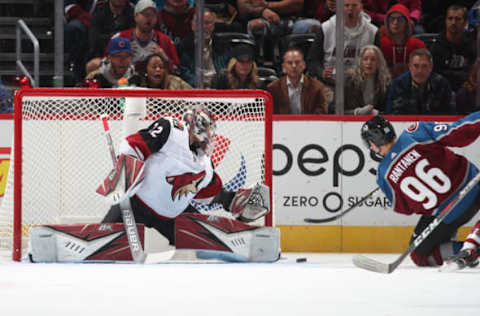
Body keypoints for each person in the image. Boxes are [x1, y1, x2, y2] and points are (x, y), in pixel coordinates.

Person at [99, 106, 278, 261]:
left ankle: (252, 247)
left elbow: (208, 195)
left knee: (210, 245)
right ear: (194, 125)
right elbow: (134, 145)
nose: (209, 135)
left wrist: (232, 201)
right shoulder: (171, 129)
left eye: (211, 131)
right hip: (134, 203)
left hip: (174, 216)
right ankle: (95, 241)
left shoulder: (206, 166)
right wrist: (125, 168)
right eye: (206, 129)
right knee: (102, 246)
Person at [361, 114, 480, 269]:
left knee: (420, 255)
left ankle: (470, 248)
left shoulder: (383, 176)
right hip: (473, 186)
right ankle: (472, 246)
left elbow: (404, 209)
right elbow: (457, 133)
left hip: (448, 215)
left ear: (373, 144)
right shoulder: (416, 133)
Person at [306, 0, 379, 105]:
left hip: (360, 83)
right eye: (346, 5)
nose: (350, 9)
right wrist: (321, 72)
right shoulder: (326, 28)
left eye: (354, 5)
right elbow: (312, 59)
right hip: (330, 83)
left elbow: (378, 64)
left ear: (361, 7)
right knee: (328, 101)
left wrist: (360, 72)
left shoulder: (372, 32)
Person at [112, 0, 180, 73]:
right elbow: (106, 65)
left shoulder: (165, 41)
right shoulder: (120, 38)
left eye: (153, 15)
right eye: (145, 14)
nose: (149, 18)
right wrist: (122, 55)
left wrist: (165, 58)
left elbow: (177, 70)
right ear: (135, 16)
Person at [385, 48, 455, 115]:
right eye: (416, 66)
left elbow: (450, 113)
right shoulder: (398, 84)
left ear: (431, 67)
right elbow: (392, 114)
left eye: (424, 66)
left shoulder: (442, 84)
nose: (420, 71)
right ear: (410, 67)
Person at [177, 8, 230, 88]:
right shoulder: (184, 46)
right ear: (192, 25)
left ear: (213, 26)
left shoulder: (223, 45)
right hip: (194, 89)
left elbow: (227, 69)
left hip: (219, 88)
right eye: (199, 23)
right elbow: (184, 73)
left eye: (207, 23)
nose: (203, 27)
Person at [430, 5, 477, 92]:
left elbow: (473, 71)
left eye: (458, 19)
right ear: (445, 21)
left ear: (465, 22)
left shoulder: (472, 45)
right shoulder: (436, 46)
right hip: (442, 91)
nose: (453, 22)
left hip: (466, 90)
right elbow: (434, 75)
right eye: (450, 18)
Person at [267, 47, 327, 114]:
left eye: (297, 62)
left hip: (309, 123)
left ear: (304, 65)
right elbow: (271, 114)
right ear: (283, 67)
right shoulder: (273, 88)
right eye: (290, 63)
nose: (294, 66)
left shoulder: (317, 87)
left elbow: (321, 114)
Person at [85, 0, 136, 76]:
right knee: (92, 65)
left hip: (127, 55)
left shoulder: (132, 11)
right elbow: (94, 40)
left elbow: (133, 37)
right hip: (103, 54)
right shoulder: (99, 10)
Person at [379, 4, 426, 79]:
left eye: (400, 19)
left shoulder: (418, 45)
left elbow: (424, 71)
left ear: (407, 23)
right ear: (387, 22)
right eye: (392, 19)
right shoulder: (381, 44)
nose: (395, 22)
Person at [344, 45, 392, 115]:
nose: (369, 63)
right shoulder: (349, 81)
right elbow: (335, 110)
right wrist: (356, 112)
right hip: (352, 123)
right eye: (365, 59)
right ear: (360, 61)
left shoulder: (385, 83)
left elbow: (390, 111)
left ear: (379, 63)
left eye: (373, 59)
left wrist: (378, 113)